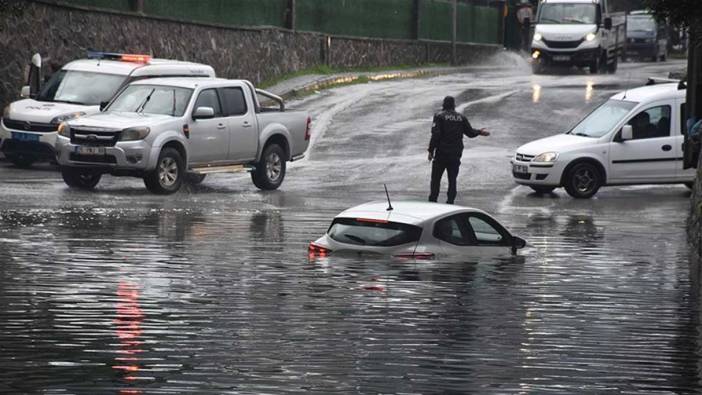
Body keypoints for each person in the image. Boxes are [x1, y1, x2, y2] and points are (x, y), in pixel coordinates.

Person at [427, 96, 490, 204]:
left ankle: (433, 201)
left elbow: (436, 135)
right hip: (455, 154)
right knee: (452, 179)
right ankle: (450, 202)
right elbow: (470, 132)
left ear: (443, 105)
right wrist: (479, 132)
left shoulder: (439, 116)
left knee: (436, 179)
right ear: (454, 105)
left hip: (441, 153)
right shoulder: (461, 118)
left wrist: (431, 150)